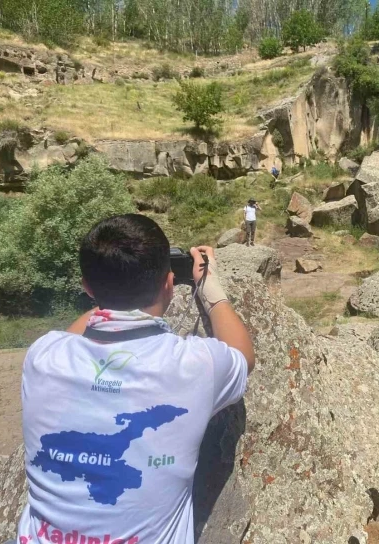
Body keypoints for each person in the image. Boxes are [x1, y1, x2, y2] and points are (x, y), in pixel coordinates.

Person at [15, 214, 255, 544]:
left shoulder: (43, 355)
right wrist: (211, 289)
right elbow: (243, 355)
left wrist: (110, 292)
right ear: (169, 283)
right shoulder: (194, 366)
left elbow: (79, 331)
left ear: (87, 287)